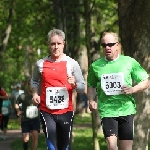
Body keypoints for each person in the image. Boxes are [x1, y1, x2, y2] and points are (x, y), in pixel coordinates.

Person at [87, 31, 150, 150]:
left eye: (110, 44)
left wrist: (133, 89)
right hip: (107, 111)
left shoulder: (129, 62)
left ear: (117, 45)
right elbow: (90, 84)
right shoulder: (95, 66)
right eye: (104, 45)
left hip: (126, 109)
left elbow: (146, 81)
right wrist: (91, 99)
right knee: (112, 147)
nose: (107, 47)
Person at [31, 29, 85, 150]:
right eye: (53, 44)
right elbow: (34, 80)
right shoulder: (40, 64)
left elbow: (82, 87)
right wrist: (35, 93)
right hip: (46, 111)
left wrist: (75, 84)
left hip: (66, 112)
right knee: (52, 147)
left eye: (59, 43)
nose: (56, 47)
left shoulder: (71, 63)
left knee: (64, 146)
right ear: (48, 44)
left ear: (64, 44)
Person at [15, 79, 40, 150]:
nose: (31, 86)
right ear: (28, 86)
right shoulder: (23, 95)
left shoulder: (38, 95)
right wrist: (18, 110)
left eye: (33, 85)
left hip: (35, 119)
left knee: (35, 137)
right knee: (26, 139)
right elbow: (16, 103)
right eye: (30, 85)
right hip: (25, 120)